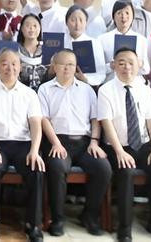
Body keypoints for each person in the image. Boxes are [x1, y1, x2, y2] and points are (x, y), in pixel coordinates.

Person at [97, 47, 151, 242]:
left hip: (144, 144)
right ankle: (124, 228)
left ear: (139, 64)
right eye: (121, 63)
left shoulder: (144, 89)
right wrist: (120, 151)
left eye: (131, 62)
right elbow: (107, 124)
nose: (126, 67)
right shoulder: (106, 90)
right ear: (114, 65)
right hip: (117, 146)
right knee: (126, 172)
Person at [38, 49, 112, 236]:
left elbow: (96, 119)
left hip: (85, 143)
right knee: (56, 167)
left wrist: (94, 142)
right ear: (54, 66)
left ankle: (89, 215)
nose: (67, 68)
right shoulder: (45, 89)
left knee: (103, 168)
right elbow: (43, 119)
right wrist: (55, 143)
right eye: (63, 64)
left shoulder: (87, 90)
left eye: (71, 64)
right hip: (58, 141)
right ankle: (58, 218)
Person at [0, 48, 45, 242]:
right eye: (5, 63)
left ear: (20, 67)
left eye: (14, 63)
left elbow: (35, 124)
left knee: (36, 170)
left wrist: (34, 150)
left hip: (24, 145)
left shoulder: (29, 94)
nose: (10, 67)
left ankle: (33, 225)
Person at [95, 1, 151, 83]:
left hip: (135, 85)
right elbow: (98, 70)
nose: (123, 16)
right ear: (113, 17)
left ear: (133, 16)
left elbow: (146, 69)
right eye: (119, 13)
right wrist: (110, 66)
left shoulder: (141, 39)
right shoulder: (102, 40)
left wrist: (140, 63)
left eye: (127, 13)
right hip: (111, 85)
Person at [63, 5, 104, 86]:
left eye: (81, 20)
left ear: (86, 23)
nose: (77, 24)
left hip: (86, 86)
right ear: (66, 22)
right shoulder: (61, 42)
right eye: (73, 20)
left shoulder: (94, 43)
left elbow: (101, 71)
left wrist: (86, 79)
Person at [18, 14, 50, 91]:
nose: (31, 28)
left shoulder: (48, 49)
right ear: (21, 28)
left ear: (40, 29)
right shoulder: (14, 50)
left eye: (35, 26)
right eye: (27, 25)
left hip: (44, 94)